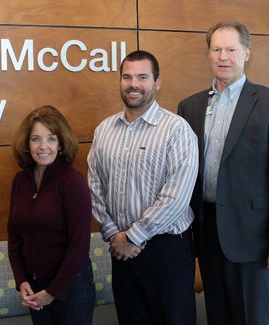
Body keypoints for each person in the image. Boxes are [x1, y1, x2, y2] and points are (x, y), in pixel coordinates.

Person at [88, 50, 198, 325]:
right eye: (127, 77)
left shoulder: (177, 129)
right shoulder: (104, 130)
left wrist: (134, 237)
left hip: (167, 251)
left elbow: (176, 196)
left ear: (157, 82)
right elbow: (94, 185)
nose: (133, 84)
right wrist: (113, 234)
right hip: (120, 250)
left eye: (142, 77)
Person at [178, 21, 269, 325]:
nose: (223, 56)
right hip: (206, 232)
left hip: (252, 236)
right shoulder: (189, 107)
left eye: (231, 49)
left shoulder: (267, 103)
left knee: (252, 317)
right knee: (217, 316)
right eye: (216, 49)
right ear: (209, 54)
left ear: (246, 53)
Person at [8, 105, 95, 325]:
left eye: (51, 138)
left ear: (62, 144)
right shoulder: (20, 181)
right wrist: (22, 280)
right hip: (35, 291)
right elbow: (14, 238)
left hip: (71, 288)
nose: (43, 146)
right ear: (27, 144)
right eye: (36, 139)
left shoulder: (72, 181)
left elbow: (80, 245)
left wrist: (53, 292)